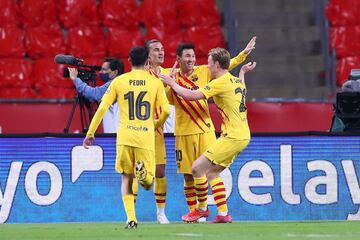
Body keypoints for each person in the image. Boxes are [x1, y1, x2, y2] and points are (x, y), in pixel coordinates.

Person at [161, 47, 256, 223]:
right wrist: (242, 71)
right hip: (242, 136)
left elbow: (193, 95)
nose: (207, 65)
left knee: (197, 168)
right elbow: (242, 87)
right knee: (212, 173)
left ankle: (201, 210)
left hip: (232, 136)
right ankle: (223, 215)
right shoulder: (235, 81)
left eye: (210, 62)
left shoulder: (218, 82)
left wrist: (172, 83)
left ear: (217, 64)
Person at [83, 46, 170, 229]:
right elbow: (167, 111)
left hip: (124, 137)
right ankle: (144, 175)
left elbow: (102, 108)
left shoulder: (119, 82)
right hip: (145, 136)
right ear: (148, 61)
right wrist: (155, 123)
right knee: (147, 182)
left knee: (126, 178)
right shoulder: (155, 83)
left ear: (129, 61)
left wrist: (90, 133)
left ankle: (131, 218)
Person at [132, 39, 174, 224]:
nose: (161, 52)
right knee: (133, 172)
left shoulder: (167, 74)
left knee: (160, 171)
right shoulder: (141, 74)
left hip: (158, 130)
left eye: (163, 49)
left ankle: (161, 213)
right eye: (156, 50)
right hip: (140, 129)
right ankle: (131, 214)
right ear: (148, 55)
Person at [68, 57, 124, 133]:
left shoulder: (113, 84)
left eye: (104, 69)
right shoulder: (123, 82)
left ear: (115, 72)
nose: (100, 72)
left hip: (116, 134)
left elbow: (93, 94)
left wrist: (75, 79)